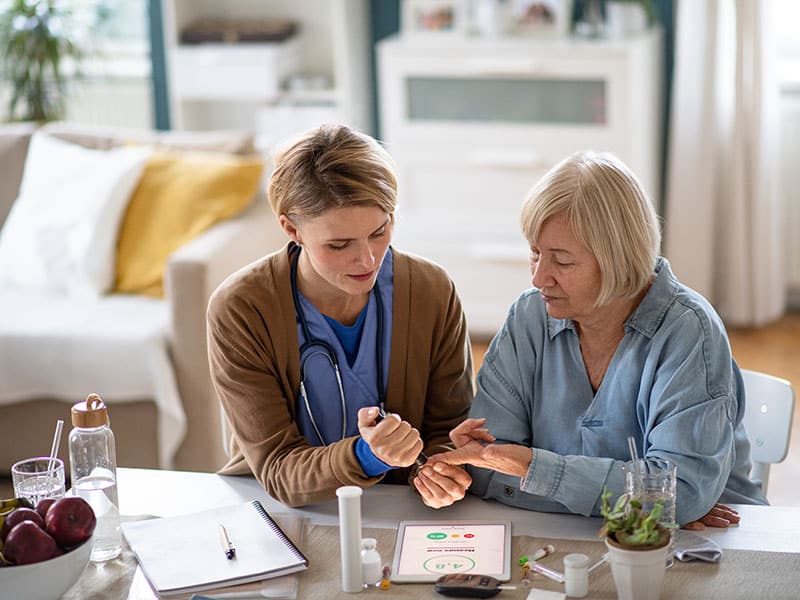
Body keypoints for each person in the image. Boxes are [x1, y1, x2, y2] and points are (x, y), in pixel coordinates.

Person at [428, 150, 767, 527]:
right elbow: (488, 470)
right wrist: (643, 504)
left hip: (716, 545)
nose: (539, 278)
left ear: (619, 258)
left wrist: (533, 470)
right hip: (587, 536)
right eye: (535, 254)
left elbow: (680, 495)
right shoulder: (529, 316)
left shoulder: (690, 332)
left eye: (563, 260)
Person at [206, 124, 473, 508]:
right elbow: (278, 468)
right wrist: (367, 456)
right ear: (291, 228)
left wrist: (435, 470)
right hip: (280, 510)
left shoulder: (431, 290)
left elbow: (448, 428)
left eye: (379, 232)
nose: (367, 260)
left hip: (398, 505)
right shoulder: (242, 308)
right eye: (339, 244)